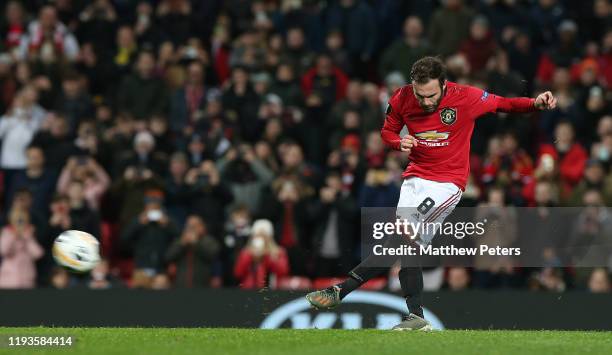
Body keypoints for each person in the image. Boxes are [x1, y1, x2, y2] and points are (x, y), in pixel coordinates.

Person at [305, 56, 557, 330]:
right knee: (408, 247)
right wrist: (398, 141)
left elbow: (503, 104)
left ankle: (341, 290)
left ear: (444, 84)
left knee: (403, 237)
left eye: (431, 95)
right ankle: (416, 317)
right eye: (419, 94)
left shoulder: (466, 97)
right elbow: (387, 132)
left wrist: (534, 103)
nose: (425, 102)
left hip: (446, 184)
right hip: (414, 180)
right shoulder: (401, 97)